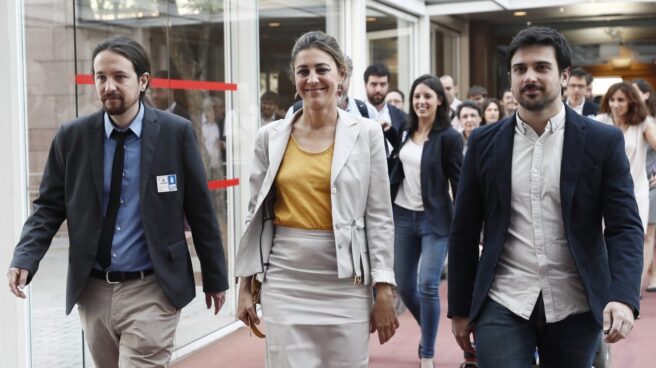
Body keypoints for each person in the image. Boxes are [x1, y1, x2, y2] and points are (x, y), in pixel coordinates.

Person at [7, 36, 228, 367]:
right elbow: (49, 207)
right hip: (93, 290)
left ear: (142, 81)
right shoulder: (73, 137)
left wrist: (214, 276)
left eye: (119, 77)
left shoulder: (175, 133)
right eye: (100, 77)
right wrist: (25, 256)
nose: (108, 86)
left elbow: (200, 211)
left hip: (154, 287)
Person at [448, 26, 642, 368]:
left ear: (564, 76)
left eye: (541, 67)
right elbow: (464, 230)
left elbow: (624, 227)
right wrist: (460, 308)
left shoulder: (603, 141)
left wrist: (623, 296)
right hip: (503, 299)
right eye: (520, 69)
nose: (529, 77)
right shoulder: (483, 142)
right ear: (510, 78)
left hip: (576, 303)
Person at [235, 31, 398, 368]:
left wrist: (384, 288)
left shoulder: (367, 134)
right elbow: (255, 214)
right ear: (294, 79)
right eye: (303, 71)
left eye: (322, 69)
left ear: (341, 75)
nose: (312, 79)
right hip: (285, 279)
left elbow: (380, 215)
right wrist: (245, 285)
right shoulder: (270, 137)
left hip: (347, 282)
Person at [389, 74, 463, 368]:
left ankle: (427, 351)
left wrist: (466, 224)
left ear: (439, 101)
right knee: (405, 286)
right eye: (416, 96)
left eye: (427, 97)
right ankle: (429, 327)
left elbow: (459, 182)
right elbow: (396, 167)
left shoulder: (449, 137)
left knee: (428, 285)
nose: (421, 101)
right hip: (403, 216)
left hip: (435, 220)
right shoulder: (406, 130)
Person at [596, 82, 656, 294]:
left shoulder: (643, 123)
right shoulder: (601, 121)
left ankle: (630, 290)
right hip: (605, 190)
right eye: (612, 100)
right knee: (603, 238)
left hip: (636, 191)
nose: (615, 104)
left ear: (632, 101)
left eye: (621, 100)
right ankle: (607, 286)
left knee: (634, 239)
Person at [285, 55, 377, 120]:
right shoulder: (295, 112)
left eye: (342, 77)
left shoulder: (367, 112)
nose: (336, 84)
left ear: (349, 79)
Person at [633, 79, 656, 293]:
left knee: (648, 235)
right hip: (629, 183)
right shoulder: (623, 120)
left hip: (649, 184)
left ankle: (638, 284)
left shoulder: (649, 122)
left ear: (646, 95)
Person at [364, 63, 408, 134]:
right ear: (365, 85)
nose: (378, 89)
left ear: (388, 85)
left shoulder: (403, 117)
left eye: (383, 84)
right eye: (374, 84)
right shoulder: (355, 113)